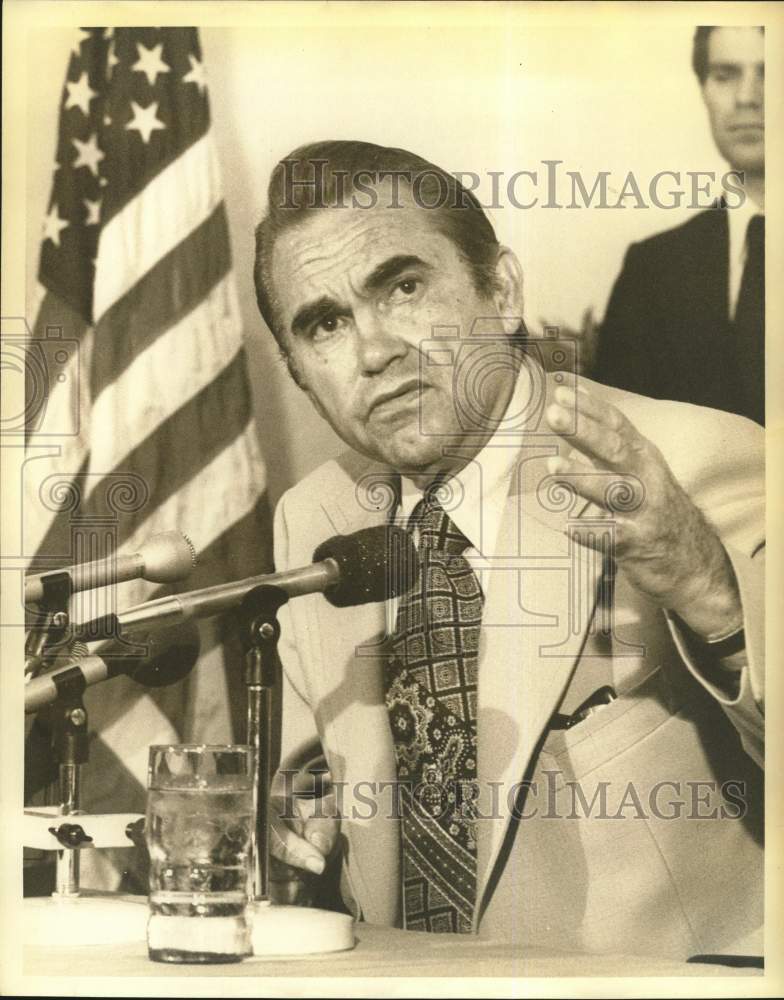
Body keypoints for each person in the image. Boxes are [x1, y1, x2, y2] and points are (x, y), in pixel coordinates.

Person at [254, 140, 764, 960]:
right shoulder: (313, 515)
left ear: (502, 291)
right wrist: (303, 803)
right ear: (300, 371)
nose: (374, 350)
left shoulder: (690, 457)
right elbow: (325, 774)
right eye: (325, 324)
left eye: (405, 288)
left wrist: (712, 592)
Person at [595, 26, 765, 425]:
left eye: (771, 73)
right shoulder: (651, 270)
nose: (746, 98)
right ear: (704, 88)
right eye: (725, 75)